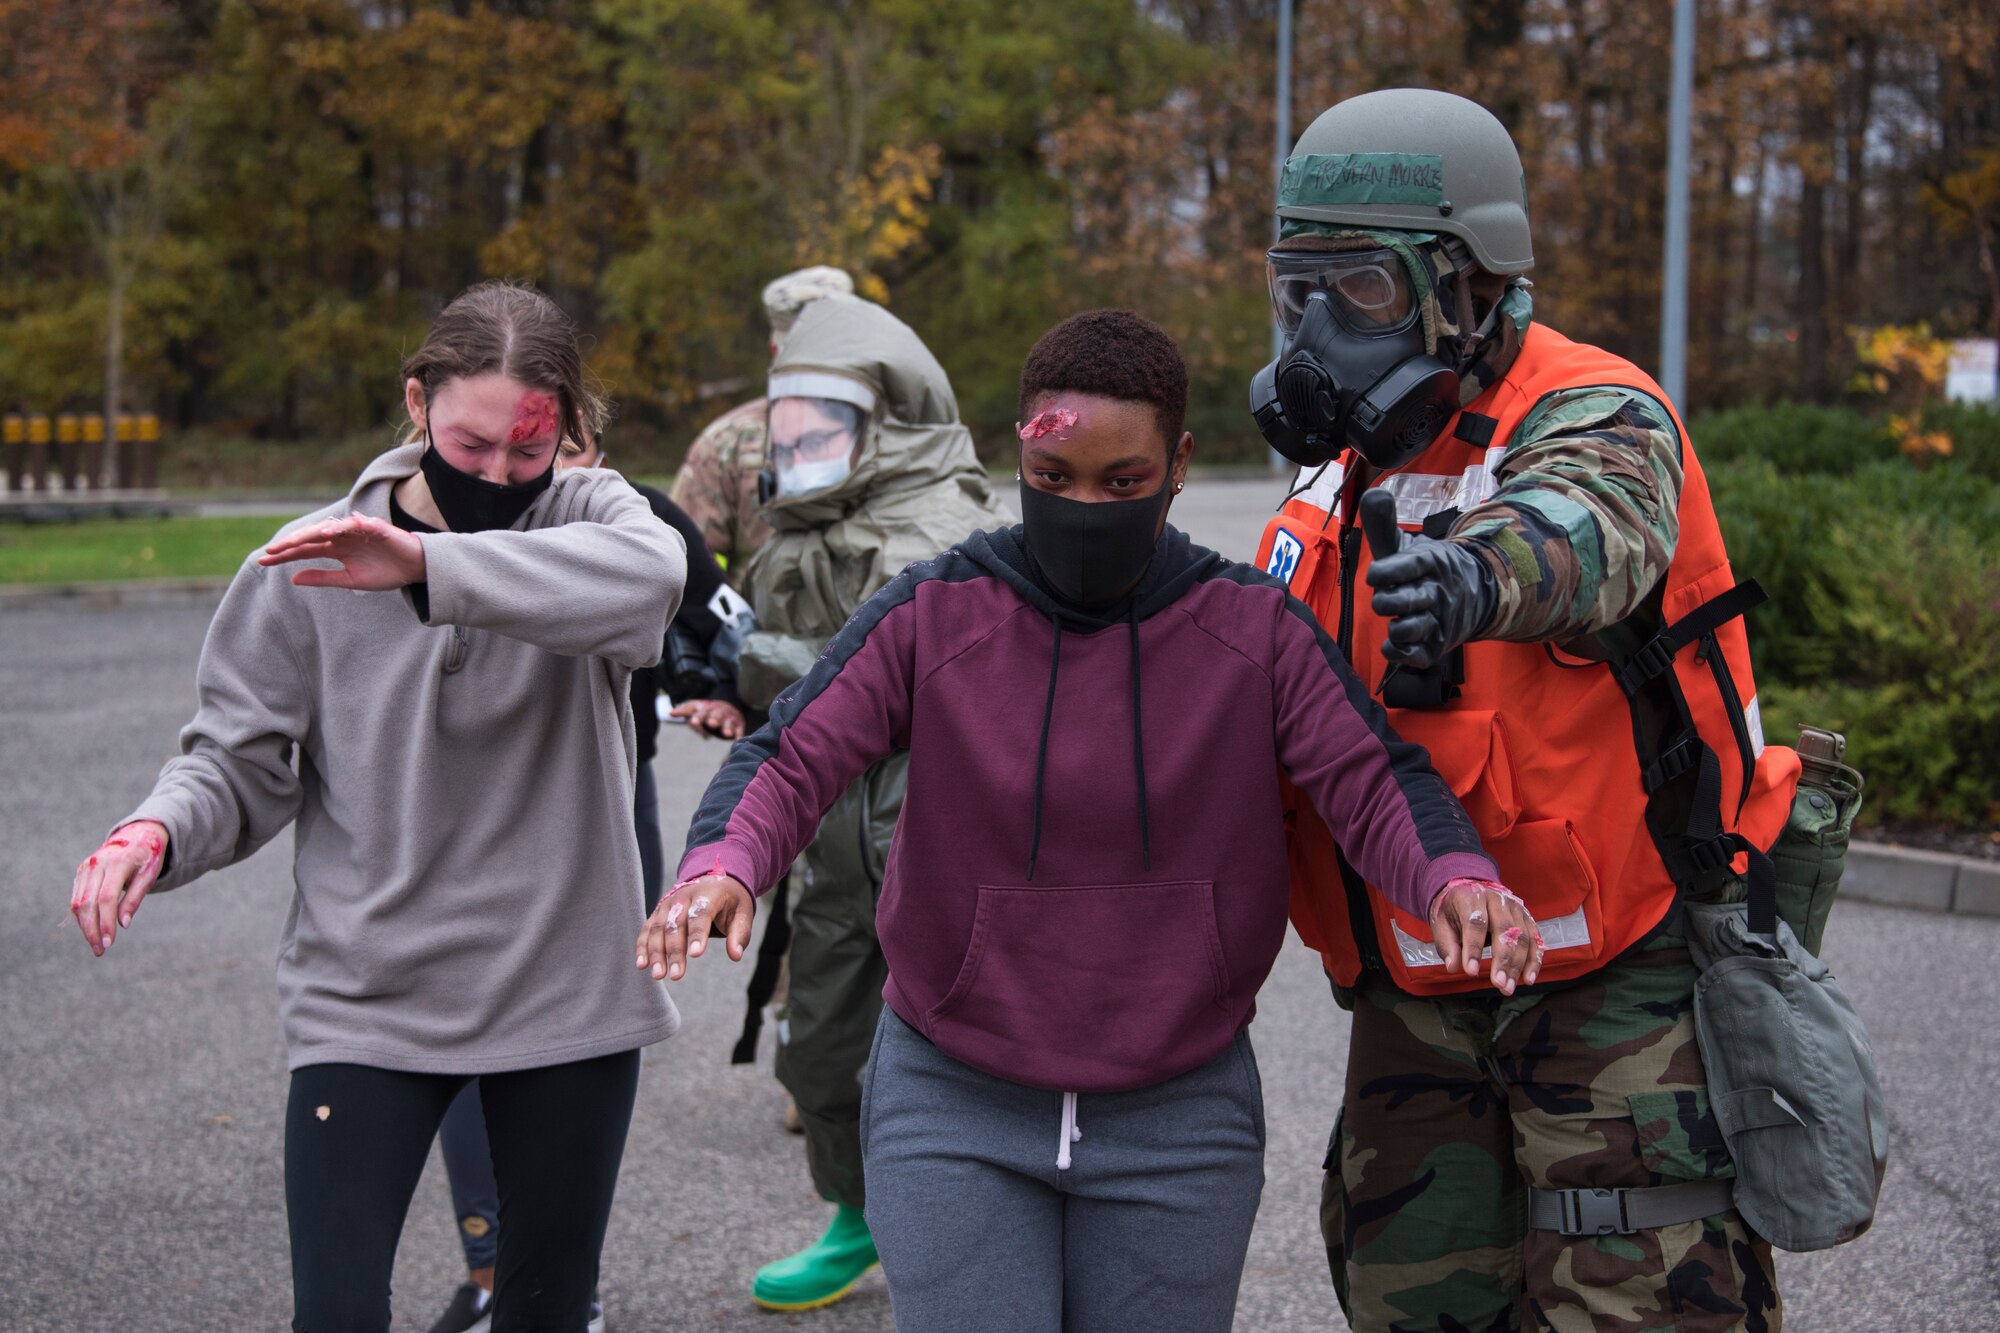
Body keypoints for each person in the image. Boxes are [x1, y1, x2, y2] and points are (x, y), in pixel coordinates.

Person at [642, 309, 1542, 1333]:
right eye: (1054, 476)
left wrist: (1452, 876)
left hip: (1178, 1114)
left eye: (1122, 483)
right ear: (1017, 450)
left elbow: (1374, 778)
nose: (1084, 506)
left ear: (1177, 464)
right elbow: (791, 751)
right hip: (951, 1104)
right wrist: (721, 863)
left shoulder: (1253, 632)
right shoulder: (933, 613)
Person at [1247, 89, 1803, 1332]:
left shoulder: (1597, 407)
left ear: (1468, 282)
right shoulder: (1340, 453)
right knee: (1409, 1298)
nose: (1322, 329)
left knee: (1640, 1295)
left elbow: (1588, 524)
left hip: (1610, 993)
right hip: (1411, 986)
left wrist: (1472, 572)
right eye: (1298, 290)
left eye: (1364, 290)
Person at [67, 281, 687, 1333]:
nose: (496, 472)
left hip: (561, 992)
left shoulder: (594, 519)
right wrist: (157, 828)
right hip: (368, 990)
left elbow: (649, 585)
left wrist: (427, 566)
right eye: (470, 441)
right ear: (417, 404)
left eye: (527, 451)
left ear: (569, 435)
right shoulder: (308, 560)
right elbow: (235, 759)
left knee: (544, 1314)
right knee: (338, 1313)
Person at [696, 290, 1015, 1313]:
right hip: (834, 845)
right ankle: (854, 1214)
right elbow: (795, 695)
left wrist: (752, 655)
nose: (796, 448)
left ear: (884, 426)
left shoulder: (945, 526)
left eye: (819, 429)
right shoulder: (798, 528)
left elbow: (903, 677)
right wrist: (713, 664)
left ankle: (983, 1244)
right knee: (825, 1049)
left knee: (967, 1061)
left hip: (938, 848)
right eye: (786, 429)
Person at [423, 434, 746, 1333]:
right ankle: (488, 1270)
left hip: (600, 803)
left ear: (593, 446)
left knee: (576, 1044)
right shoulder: (429, 518)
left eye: (558, 446)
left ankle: (567, 1286)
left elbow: (726, 631)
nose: (526, 467)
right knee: (451, 1038)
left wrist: (713, 690)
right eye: (497, 444)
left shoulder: (640, 518)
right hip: (461, 813)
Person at [671, 265, 855, 575]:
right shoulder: (728, 444)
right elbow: (683, 561)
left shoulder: (890, 431)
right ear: (775, 352)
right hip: (760, 620)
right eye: (805, 352)